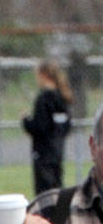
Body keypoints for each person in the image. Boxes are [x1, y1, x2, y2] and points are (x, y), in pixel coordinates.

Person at [22, 60, 73, 197]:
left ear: (43, 75)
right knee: (57, 191)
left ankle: (48, 218)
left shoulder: (44, 98)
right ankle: (59, 218)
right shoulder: (61, 97)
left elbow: (40, 126)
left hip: (43, 153)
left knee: (45, 194)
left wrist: (26, 121)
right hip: (57, 152)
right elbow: (66, 125)